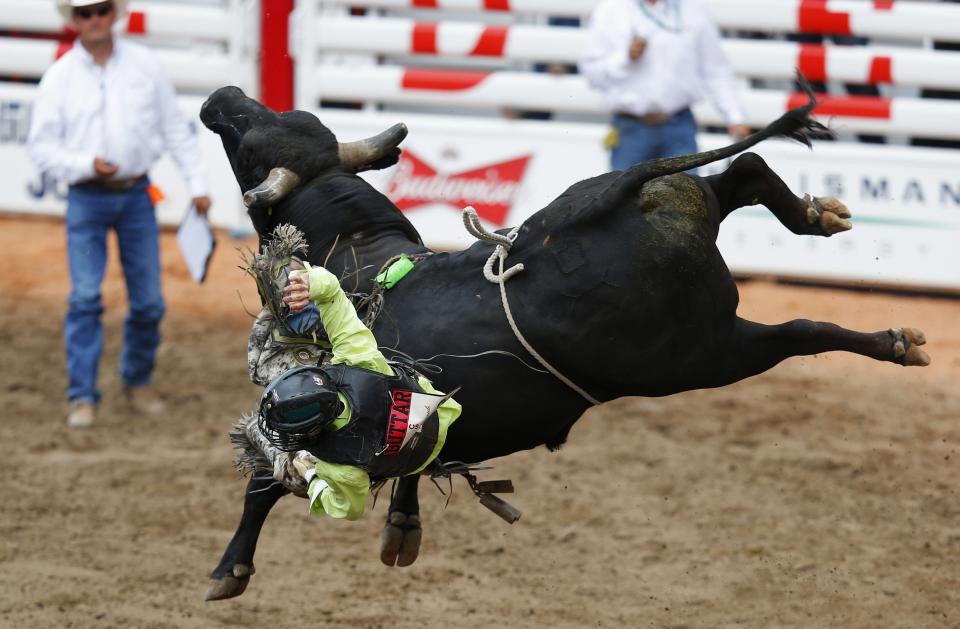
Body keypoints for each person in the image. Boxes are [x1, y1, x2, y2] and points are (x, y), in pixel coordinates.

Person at [27, 0, 211, 428]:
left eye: (100, 9)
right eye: (84, 12)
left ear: (113, 13)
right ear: (74, 20)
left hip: (135, 193)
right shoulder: (59, 77)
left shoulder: (145, 66)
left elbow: (173, 129)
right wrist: (85, 165)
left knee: (148, 302)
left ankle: (136, 378)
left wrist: (198, 185)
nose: (93, 19)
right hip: (86, 195)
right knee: (85, 298)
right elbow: (42, 146)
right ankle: (82, 394)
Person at [261, 263, 462, 520]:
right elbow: (333, 292)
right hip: (442, 412)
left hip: (414, 460)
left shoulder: (339, 466)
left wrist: (312, 477)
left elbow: (349, 509)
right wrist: (308, 282)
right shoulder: (358, 358)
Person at [578, 0, 750, 170]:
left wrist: (735, 117)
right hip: (630, 129)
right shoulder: (611, 10)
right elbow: (592, 75)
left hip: (678, 126)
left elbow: (716, 69)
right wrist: (625, 58)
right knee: (625, 197)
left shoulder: (694, 10)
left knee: (685, 196)